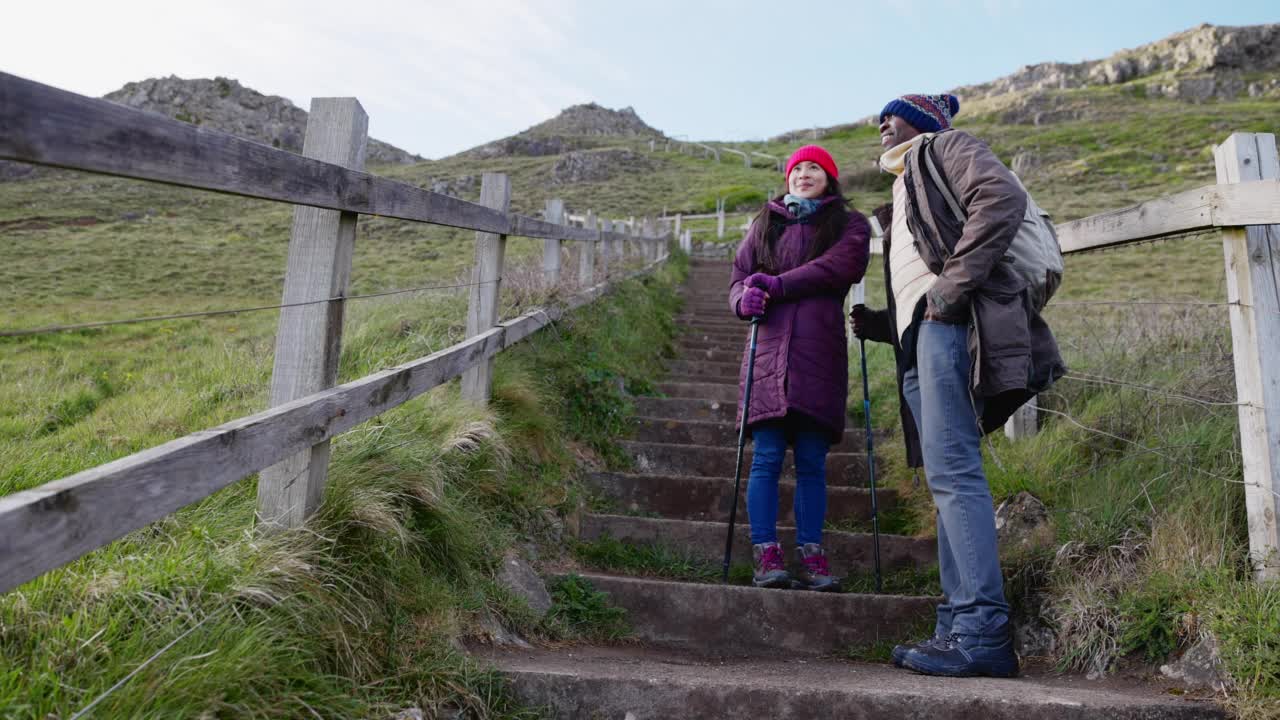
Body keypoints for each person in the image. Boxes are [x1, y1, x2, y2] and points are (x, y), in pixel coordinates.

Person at [851, 94, 1065, 677]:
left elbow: (1000, 198)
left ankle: (982, 631)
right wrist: (883, 326)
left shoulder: (945, 146)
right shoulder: (901, 186)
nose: (880, 125)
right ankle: (956, 623)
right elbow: (920, 273)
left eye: (891, 115)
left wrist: (950, 290)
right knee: (945, 472)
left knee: (954, 468)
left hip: (948, 324)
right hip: (924, 332)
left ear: (920, 122)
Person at [729, 145, 870, 592]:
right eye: (797, 169)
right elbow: (737, 279)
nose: (804, 174)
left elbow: (838, 268)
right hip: (767, 353)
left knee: (811, 461)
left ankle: (812, 554)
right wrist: (740, 301)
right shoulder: (764, 223)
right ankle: (765, 553)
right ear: (787, 177)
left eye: (815, 168)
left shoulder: (850, 225)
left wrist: (776, 284)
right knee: (767, 457)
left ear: (831, 178)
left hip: (818, 354)